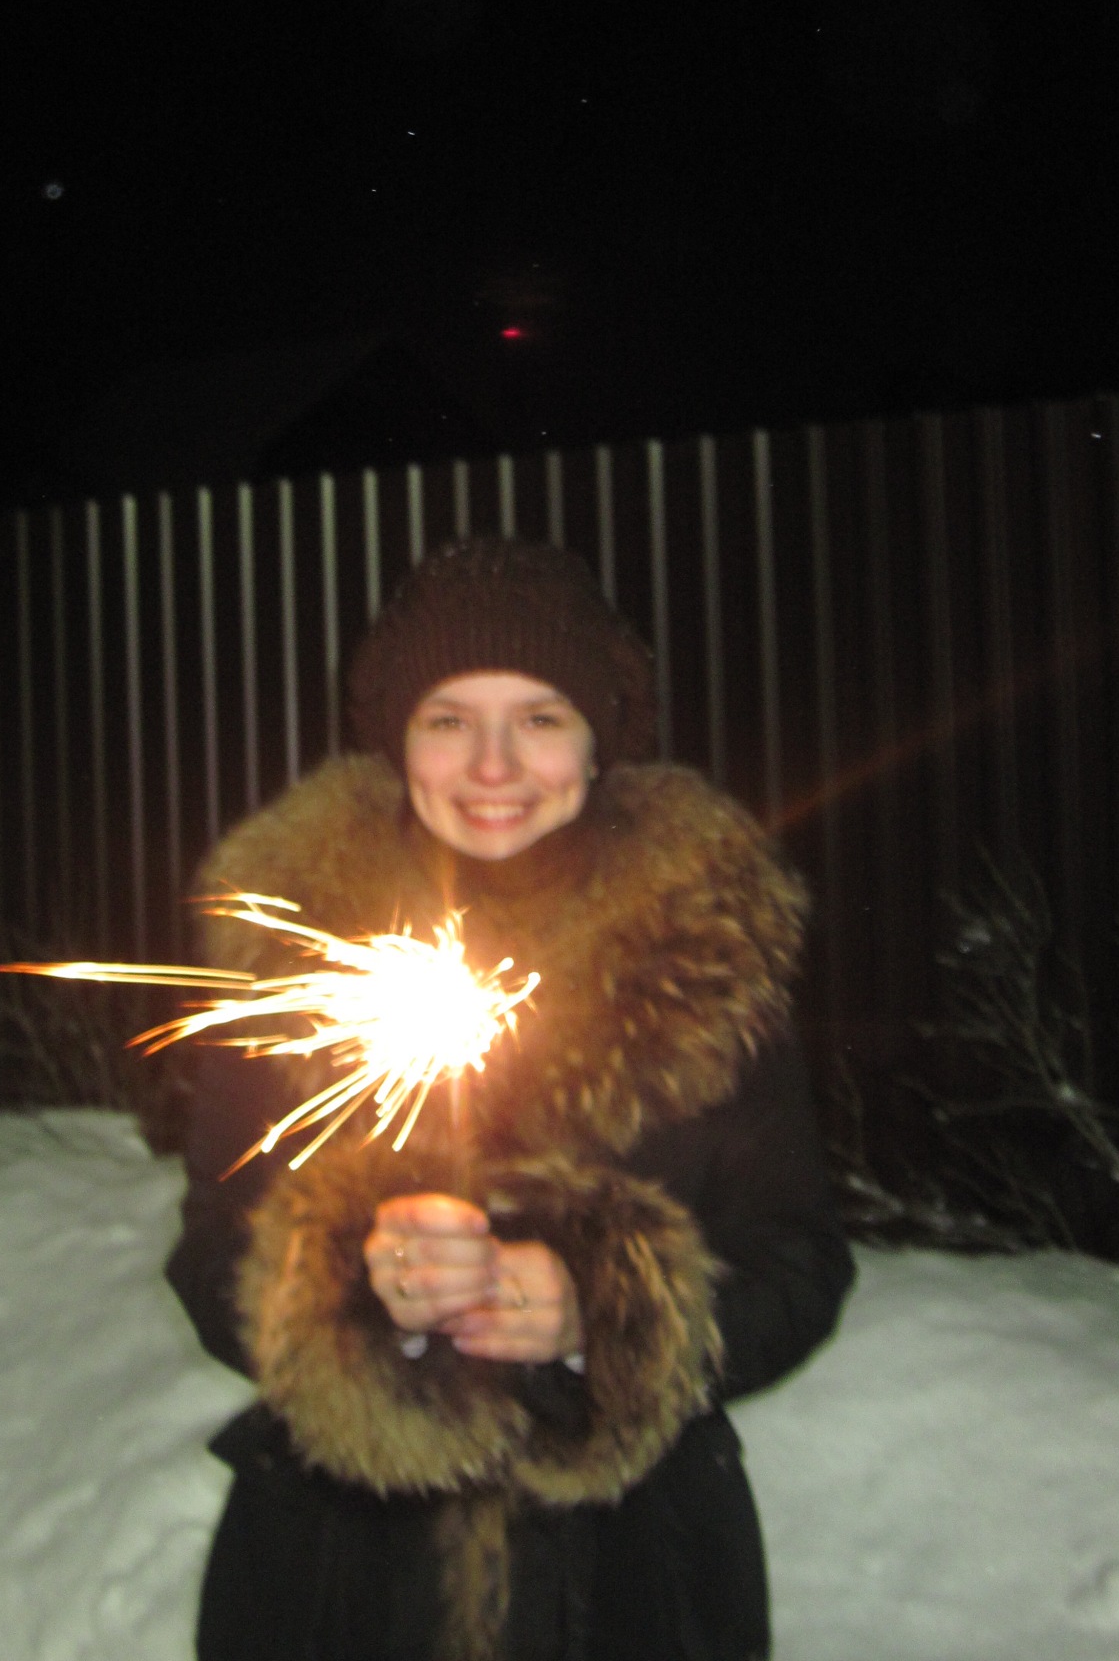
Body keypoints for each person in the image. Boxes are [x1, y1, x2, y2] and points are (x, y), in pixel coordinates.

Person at [167, 538, 854, 1660]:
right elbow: (211, 1256)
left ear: (600, 736)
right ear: (398, 735)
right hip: (339, 1590)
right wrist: (348, 1290)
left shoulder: (708, 956)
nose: (493, 765)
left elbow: (799, 1263)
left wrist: (607, 1317)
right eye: (449, 718)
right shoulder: (295, 951)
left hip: (633, 1591)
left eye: (539, 716)